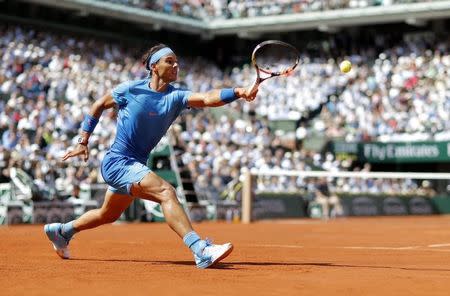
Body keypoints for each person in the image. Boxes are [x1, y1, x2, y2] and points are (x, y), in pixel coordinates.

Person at [44, 43, 258, 269]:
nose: (176, 65)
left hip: (134, 164)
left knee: (107, 215)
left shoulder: (176, 96)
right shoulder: (130, 89)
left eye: (177, 62)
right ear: (154, 66)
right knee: (167, 191)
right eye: (170, 61)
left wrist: (239, 92)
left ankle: (61, 231)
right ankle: (200, 250)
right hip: (117, 162)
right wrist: (82, 140)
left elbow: (207, 98)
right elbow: (98, 105)